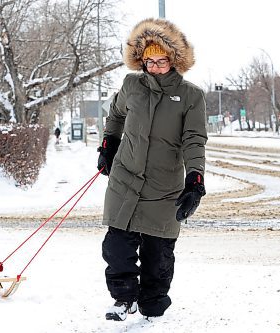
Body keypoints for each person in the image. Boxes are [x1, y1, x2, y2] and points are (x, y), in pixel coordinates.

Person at [97, 18, 207, 321]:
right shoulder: (132, 85)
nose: (155, 67)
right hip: (125, 180)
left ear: (174, 61)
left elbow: (194, 140)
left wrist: (195, 179)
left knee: (158, 255)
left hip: (163, 186)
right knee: (116, 246)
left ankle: (152, 304)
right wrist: (109, 143)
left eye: (161, 61)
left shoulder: (190, 96)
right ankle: (123, 299)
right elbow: (116, 114)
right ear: (141, 61)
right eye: (149, 61)